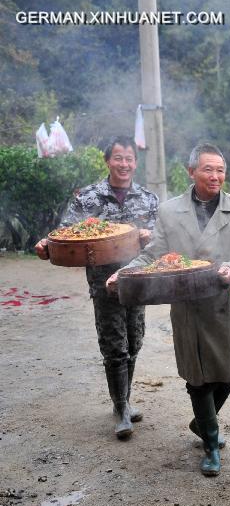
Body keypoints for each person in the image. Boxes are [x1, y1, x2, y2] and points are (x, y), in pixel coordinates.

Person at [107, 143, 230, 476]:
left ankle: (201, 421)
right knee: (199, 379)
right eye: (208, 169)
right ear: (191, 172)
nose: (215, 176)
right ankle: (210, 441)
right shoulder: (170, 211)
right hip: (189, 307)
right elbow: (153, 255)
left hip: (226, 304)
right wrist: (125, 272)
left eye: (220, 169)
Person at [35, 136, 158, 440]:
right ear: (108, 161)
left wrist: (148, 235)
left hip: (137, 279)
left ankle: (125, 400)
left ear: (135, 162)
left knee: (135, 339)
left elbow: (161, 235)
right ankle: (120, 408)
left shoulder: (147, 197)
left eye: (129, 158)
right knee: (114, 344)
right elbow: (66, 232)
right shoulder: (88, 197)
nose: (124, 164)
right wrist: (47, 244)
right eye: (118, 158)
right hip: (104, 282)